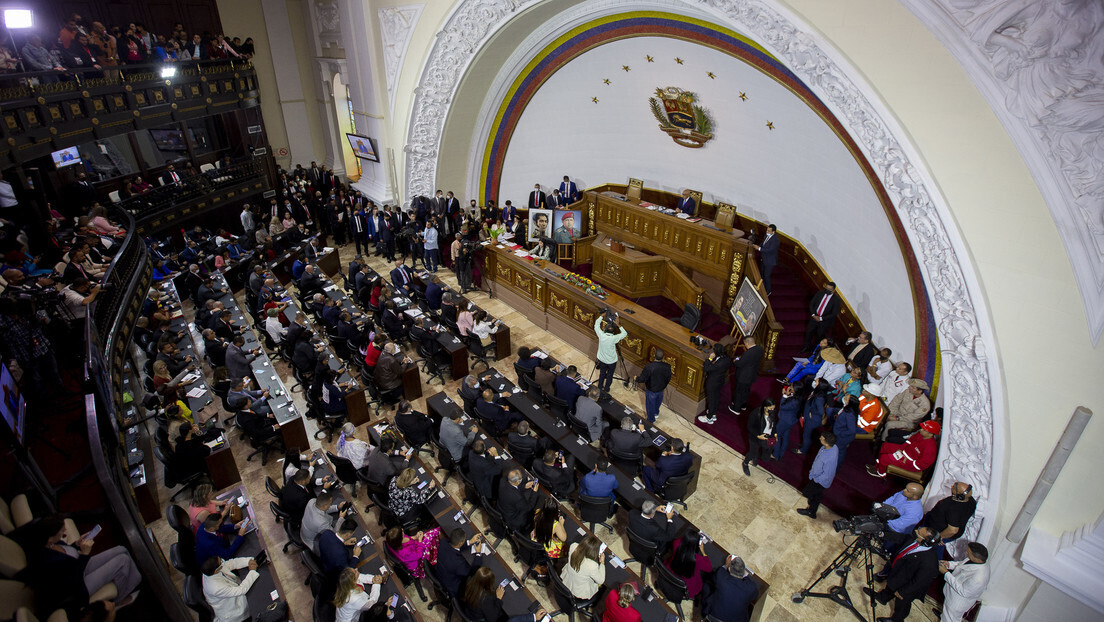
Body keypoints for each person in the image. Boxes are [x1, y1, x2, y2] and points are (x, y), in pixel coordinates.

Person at [29, 516, 142, 608]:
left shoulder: (51, 543)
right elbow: (72, 580)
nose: (65, 531)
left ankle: (136, 580)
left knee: (121, 549)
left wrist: (77, 544)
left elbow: (67, 553)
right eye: (61, 531)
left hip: (79, 564)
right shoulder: (48, 561)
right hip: (78, 586)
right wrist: (84, 554)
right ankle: (119, 601)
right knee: (123, 560)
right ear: (50, 538)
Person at [864, 526, 940, 622]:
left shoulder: (929, 563)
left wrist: (903, 592)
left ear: (924, 541)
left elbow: (919, 582)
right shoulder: (915, 538)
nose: (915, 531)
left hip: (909, 586)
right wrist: (882, 534)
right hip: (899, 573)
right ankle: (882, 598)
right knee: (891, 586)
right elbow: (901, 538)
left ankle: (897, 619)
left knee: (902, 604)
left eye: (918, 532)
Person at [460, 566, 547, 622]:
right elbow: (493, 619)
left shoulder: (469, 582)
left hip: (471, 613)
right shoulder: (486, 599)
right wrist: (498, 599)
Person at [868, 420, 941, 478]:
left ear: (931, 434)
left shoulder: (930, 448)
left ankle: (881, 473)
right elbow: (909, 441)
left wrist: (907, 461)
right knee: (885, 446)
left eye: (924, 430)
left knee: (885, 458)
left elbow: (921, 465)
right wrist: (901, 449)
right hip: (905, 451)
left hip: (911, 462)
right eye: (922, 428)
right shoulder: (920, 434)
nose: (921, 430)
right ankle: (878, 466)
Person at [920, 482, 978, 552]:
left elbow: (953, 530)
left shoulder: (954, 509)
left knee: (935, 548)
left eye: (954, 487)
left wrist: (938, 537)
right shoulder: (971, 501)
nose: (951, 487)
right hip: (933, 522)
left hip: (938, 532)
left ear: (959, 494)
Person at [939, 542, 990, 622]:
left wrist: (946, 573)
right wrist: (949, 564)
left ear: (976, 558)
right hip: (952, 594)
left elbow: (963, 591)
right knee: (945, 615)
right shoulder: (978, 560)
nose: (966, 553)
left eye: (968, 552)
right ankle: (942, 617)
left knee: (950, 619)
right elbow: (962, 564)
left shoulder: (978, 579)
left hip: (956, 603)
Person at [200, 555, 260, 622]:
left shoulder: (211, 570)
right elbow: (241, 590)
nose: (223, 561)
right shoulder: (215, 588)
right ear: (216, 571)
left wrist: (248, 561)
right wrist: (252, 572)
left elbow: (231, 563)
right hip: (233, 611)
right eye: (221, 562)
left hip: (233, 592)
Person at [877, 483, 927, 558]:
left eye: (908, 490)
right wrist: (882, 506)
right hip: (887, 519)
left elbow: (900, 525)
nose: (904, 490)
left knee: (886, 549)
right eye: (905, 488)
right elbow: (893, 498)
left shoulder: (915, 511)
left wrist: (884, 522)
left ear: (915, 496)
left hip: (894, 530)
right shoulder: (904, 493)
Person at [796, 431, 838, 518]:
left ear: (826, 443)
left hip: (819, 481)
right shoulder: (831, 447)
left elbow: (827, 474)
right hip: (816, 477)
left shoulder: (830, 457)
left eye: (822, 438)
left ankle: (811, 511)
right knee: (817, 495)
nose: (820, 438)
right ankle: (812, 507)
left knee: (809, 493)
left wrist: (815, 479)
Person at [435, 529, 486, 597]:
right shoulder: (459, 564)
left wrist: (470, 542)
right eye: (464, 541)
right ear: (460, 543)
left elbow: (454, 546)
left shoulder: (443, 542)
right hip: (451, 586)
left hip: (440, 574)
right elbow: (472, 572)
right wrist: (478, 554)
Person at [666, 529, 712, 598]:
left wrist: (690, 537)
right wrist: (703, 552)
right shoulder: (697, 559)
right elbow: (709, 568)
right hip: (687, 583)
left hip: (670, 571)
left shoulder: (676, 544)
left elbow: (680, 540)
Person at [728, 336, 764, 414]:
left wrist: (735, 361)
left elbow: (740, 364)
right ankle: (743, 405)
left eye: (745, 344)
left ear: (747, 343)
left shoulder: (748, 353)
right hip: (752, 375)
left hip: (744, 376)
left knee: (739, 391)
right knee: (746, 390)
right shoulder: (760, 349)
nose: (745, 345)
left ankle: (736, 409)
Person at [497, 469, 539, 533]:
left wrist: (524, 486)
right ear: (518, 482)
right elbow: (528, 507)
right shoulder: (518, 498)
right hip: (513, 518)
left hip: (501, 508)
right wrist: (534, 492)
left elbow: (512, 488)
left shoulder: (502, 481)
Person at [698, 343, 731, 424]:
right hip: (720, 381)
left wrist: (709, 359)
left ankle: (709, 418)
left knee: (711, 399)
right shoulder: (727, 358)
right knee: (716, 398)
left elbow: (707, 368)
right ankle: (713, 414)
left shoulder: (719, 364)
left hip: (713, 382)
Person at [802, 282, 841, 352]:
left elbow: (834, 313)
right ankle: (806, 347)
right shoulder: (820, 293)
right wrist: (813, 315)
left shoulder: (836, 300)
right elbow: (812, 304)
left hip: (824, 322)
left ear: (833, 290)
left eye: (829, 289)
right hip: (814, 318)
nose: (827, 290)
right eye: (826, 288)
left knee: (820, 336)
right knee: (809, 333)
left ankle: (816, 351)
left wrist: (821, 318)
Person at [635, 348, 671, 423]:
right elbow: (668, 378)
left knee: (650, 405)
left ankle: (650, 420)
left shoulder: (649, 367)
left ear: (654, 356)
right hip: (661, 389)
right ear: (663, 357)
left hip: (651, 390)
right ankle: (656, 413)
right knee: (658, 402)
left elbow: (643, 379)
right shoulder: (667, 366)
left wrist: (636, 378)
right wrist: (663, 386)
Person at [742, 399, 776, 475]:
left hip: (767, 437)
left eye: (773, 408)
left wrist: (775, 434)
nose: (772, 410)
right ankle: (745, 463)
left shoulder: (772, 412)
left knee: (766, 457)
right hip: (756, 437)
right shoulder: (756, 414)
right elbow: (750, 426)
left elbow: (774, 424)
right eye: (770, 408)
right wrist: (758, 436)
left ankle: (756, 456)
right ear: (765, 407)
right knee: (752, 452)